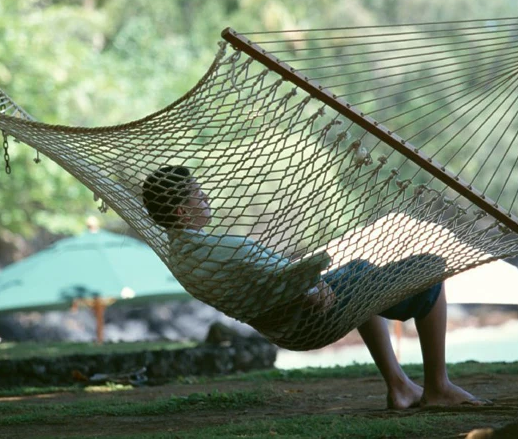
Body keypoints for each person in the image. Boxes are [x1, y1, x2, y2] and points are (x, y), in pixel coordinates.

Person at [142, 165, 485, 409]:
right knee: (431, 270)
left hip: (281, 324)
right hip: (309, 313)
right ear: (182, 213)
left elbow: (268, 281)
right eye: (196, 194)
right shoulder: (227, 248)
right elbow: (290, 278)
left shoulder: (182, 259)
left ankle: (400, 387)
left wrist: (307, 287)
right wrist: (311, 289)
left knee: (359, 273)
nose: (205, 196)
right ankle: (437, 387)